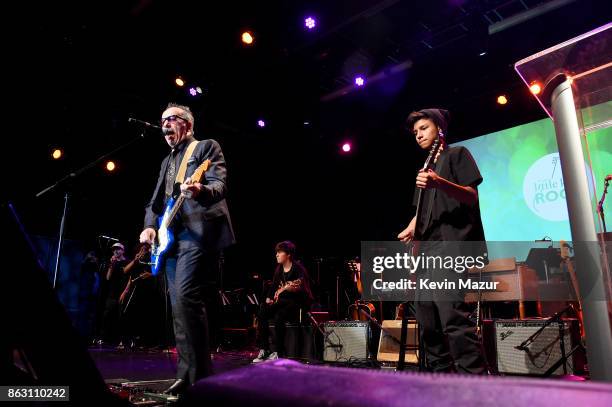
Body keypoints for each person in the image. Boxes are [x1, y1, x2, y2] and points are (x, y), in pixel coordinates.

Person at [139, 102, 235, 395]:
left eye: (172, 119)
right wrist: (150, 226)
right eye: (162, 120)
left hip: (197, 233)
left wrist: (199, 189)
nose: (165, 125)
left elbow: (219, 186)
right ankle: (186, 374)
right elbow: (154, 203)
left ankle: (201, 377)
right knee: (178, 306)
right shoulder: (166, 162)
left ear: (188, 124)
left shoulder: (206, 147)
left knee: (186, 296)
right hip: (170, 240)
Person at [397, 108, 487, 374]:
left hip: (451, 246)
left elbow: (471, 196)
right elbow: (422, 211)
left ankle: (475, 384)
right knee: (428, 323)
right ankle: (441, 384)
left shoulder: (457, 155)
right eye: (415, 132)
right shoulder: (425, 169)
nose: (418, 135)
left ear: (440, 129)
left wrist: (439, 183)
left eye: (423, 128)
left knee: (452, 318)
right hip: (426, 251)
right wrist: (411, 228)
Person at [253, 241, 313, 363]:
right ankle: (264, 349)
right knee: (262, 313)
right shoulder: (279, 269)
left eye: (279, 252)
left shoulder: (298, 268)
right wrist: (269, 298)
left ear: (288, 254)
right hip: (281, 303)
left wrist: (288, 288)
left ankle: (277, 352)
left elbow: (301, 287)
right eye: (277, 252)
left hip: (295, 304)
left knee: (279, 315)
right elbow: (274, 286)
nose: (277, 255)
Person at [101, 242, 129, 346]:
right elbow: (108, 277)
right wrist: (111, 265)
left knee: (121, 317)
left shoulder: (127, 262)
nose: (115, 251)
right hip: (112, 293)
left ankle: (122, 340)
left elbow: (130, 278)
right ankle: (105, 339)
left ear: (123, 250)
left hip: (123, 292)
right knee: (107, 315)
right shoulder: (112, 263)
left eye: (118, 249)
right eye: (114, 249)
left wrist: (125, 292)